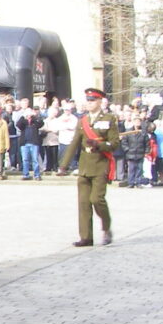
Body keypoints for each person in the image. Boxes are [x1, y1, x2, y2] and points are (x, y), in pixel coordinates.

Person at [58, 88, 120, 246]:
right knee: (84, 202)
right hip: (85, 165)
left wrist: (99, 145)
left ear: (100, 102)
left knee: (96, 199)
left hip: (100, 165)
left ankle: (106, 228)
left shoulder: (109, 119)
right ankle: (86, 237)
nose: (89, 103)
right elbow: (74, 143)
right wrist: (63, 165)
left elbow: (114, 144)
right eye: (88, 100)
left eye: (92, 100)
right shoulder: (83, 120)